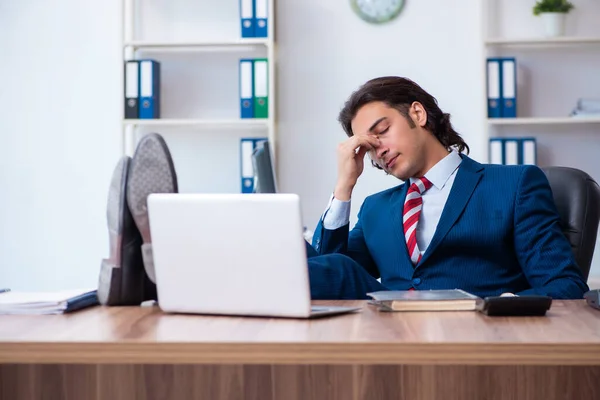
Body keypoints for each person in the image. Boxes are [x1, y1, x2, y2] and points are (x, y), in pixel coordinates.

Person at [306, 76, 589, 300]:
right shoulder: (375, 209)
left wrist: (494, 307)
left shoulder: (514, 185)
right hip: (390, 333)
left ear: (417, 114)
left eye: (382, 132)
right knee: (319, 262)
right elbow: (329, 273)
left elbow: (564, 285)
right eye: (368, 146)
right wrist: (344, 186)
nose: (378, 151)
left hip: (474, 333)